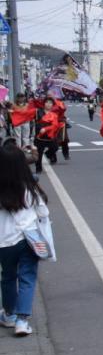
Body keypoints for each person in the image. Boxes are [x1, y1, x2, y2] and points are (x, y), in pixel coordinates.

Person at [0, 140, 50, 337]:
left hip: (4, 241)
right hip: (29, 239)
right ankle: (22, 320)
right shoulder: (30, 188)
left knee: (8, 276)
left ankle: (9, 315)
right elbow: (43, 212)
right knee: (27, 277)